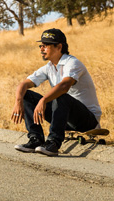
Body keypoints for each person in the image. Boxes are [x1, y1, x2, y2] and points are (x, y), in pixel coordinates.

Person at [11, 28, 102, 156]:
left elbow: (64, 86)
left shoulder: (73, 63)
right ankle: (35, 139)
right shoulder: (49, 67)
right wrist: (18, 101)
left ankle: (53, 142)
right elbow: (24, 84)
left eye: (45, 45)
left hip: (87, 120)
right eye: (41, 45)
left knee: (61, 96)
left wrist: (43, 100)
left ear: (59, 47)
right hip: (65, 119)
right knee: (26, 94)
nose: (41, 49)